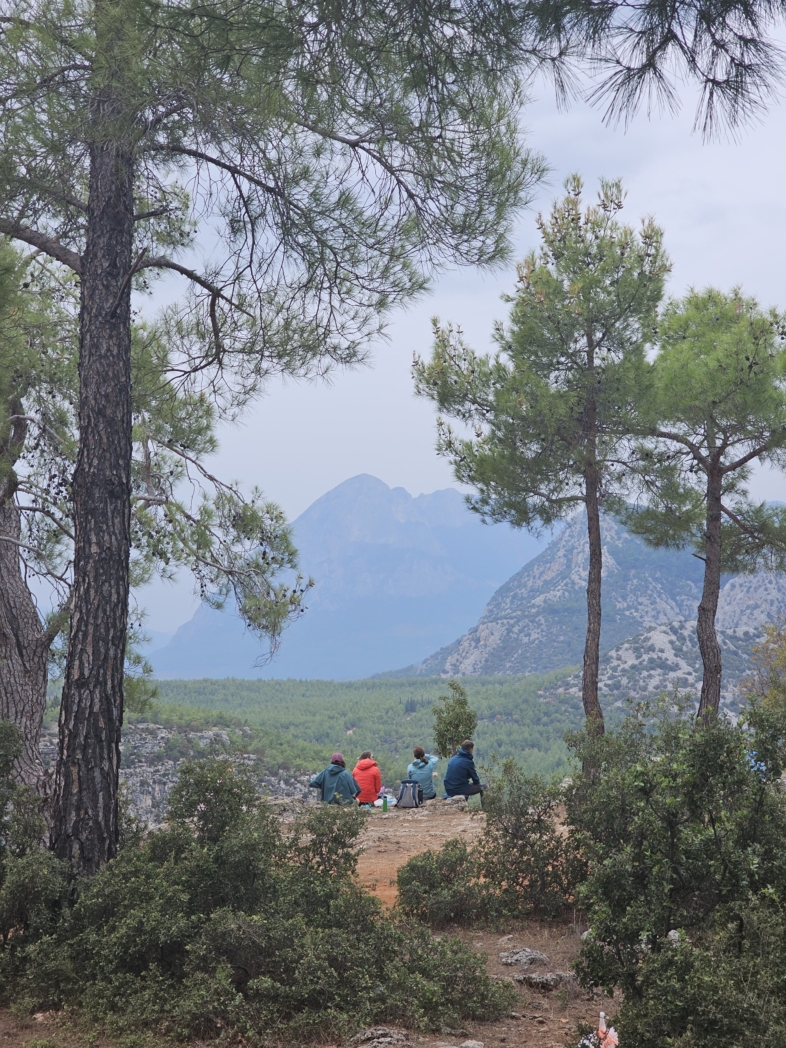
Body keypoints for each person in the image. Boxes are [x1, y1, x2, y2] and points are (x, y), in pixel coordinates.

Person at [443, 739, 485, 804]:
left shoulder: (453, 758)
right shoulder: (468, 762)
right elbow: (476, 780)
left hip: (449, 789)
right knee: (484, 787)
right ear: (471, 750)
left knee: (465, 785)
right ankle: (485, 809)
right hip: (458, 789)